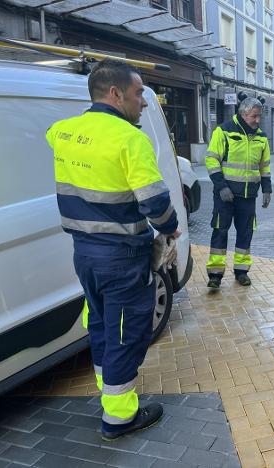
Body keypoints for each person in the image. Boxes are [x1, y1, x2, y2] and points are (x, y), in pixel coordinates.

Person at [46, 59, 180, 440]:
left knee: (103, 325)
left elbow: (51, 135)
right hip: (122, 257)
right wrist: (171, 229)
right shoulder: (129, 139)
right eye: (139, 94)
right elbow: (155, 202)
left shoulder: (63, 132)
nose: (145, 103)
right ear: (115, 93)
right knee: (126, 333)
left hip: (84, 254)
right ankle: (120, 418)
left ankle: (112, 397)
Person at [205, 97, 272, 288]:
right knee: (220, 232)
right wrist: (222, 187)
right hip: (225, 196)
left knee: (245, 233)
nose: (258, 120)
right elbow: (211, 160)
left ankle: (241, 272)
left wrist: (267, 190)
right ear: (243, 114)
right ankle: (215, 275)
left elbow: (264, 166)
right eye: (254, 116)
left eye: (259, 116)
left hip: (248, 196)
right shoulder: (224, 131)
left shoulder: (261, 137)